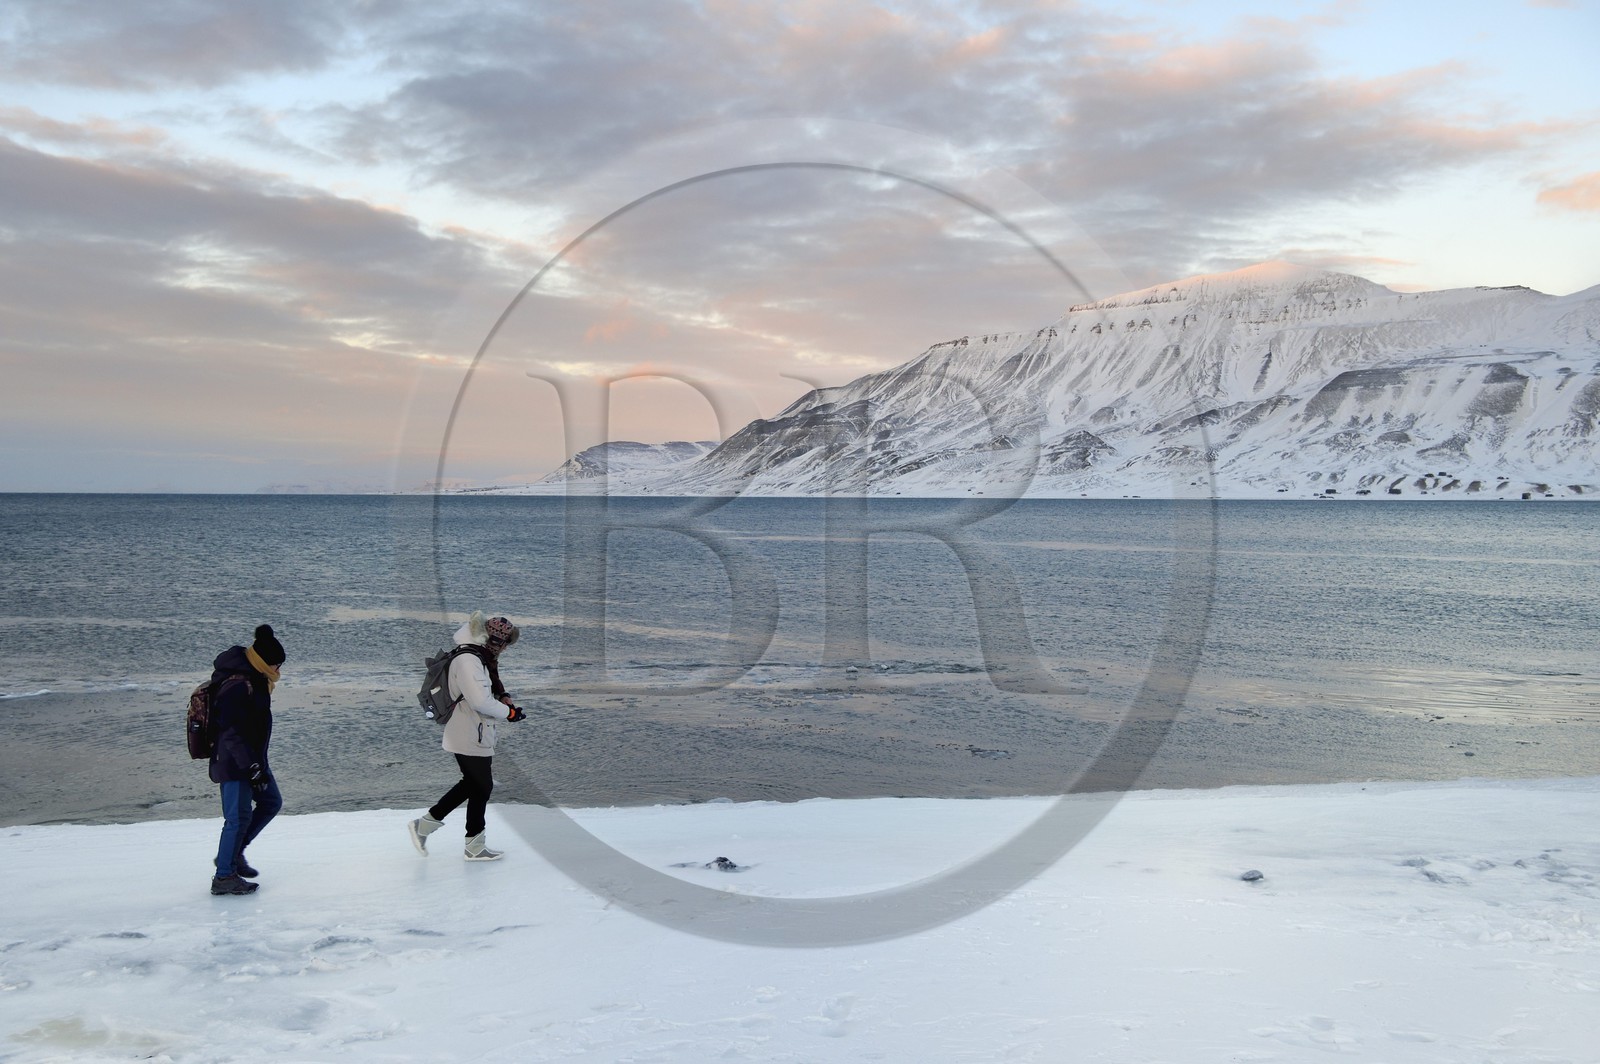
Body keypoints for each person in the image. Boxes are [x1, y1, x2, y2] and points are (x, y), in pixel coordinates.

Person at [409, 611, 525, 861]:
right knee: (481, 786)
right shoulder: (469, 660)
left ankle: (426, 827)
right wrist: (509, 713)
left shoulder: (477, 656)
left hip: (473, 730)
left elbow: (487, 688)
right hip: (468, 732)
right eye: (504, 644)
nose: (504, 649)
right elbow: (480, 701)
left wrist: (503, 697)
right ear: (494, 640)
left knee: (473, 785)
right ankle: (471, 844)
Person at [208, 624, 286, 896]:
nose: (279, 669)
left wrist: (257, 764)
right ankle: (224, 876)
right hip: (235, 763)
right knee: (237, 818)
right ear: (263, 661)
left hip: (253, 760)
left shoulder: (257, 679)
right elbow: (230, 733)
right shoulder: (238, 685)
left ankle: (235, 852)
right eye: (276, 664)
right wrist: (251, 767)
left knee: (271, 802)